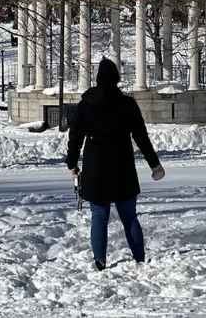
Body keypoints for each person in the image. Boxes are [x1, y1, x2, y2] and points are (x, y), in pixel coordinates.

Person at [67, 58, 165, 271]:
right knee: (129, 216)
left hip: (95, 166)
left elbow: (75, 137)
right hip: (123, 166)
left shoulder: (86, 104)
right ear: (117, 79)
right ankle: (139, 258)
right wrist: (154, 165)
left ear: (97, 79)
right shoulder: (127, 104)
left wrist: (72, 163)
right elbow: (141, 137)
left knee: (99, 217)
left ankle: (100, 261)